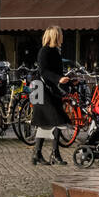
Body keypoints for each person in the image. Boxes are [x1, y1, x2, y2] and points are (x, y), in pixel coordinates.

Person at [31, 25, 69, 166]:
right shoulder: (45, 51)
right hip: (41, 90)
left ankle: (37, 154)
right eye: (60, 34)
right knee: (57, 120)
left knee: (45, 122)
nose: (62, 36)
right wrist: (58, 79)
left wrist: (64, 79)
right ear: (55, 36)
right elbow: (44, 71)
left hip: (49, 90)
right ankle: (54, 154)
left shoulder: (55, 51)